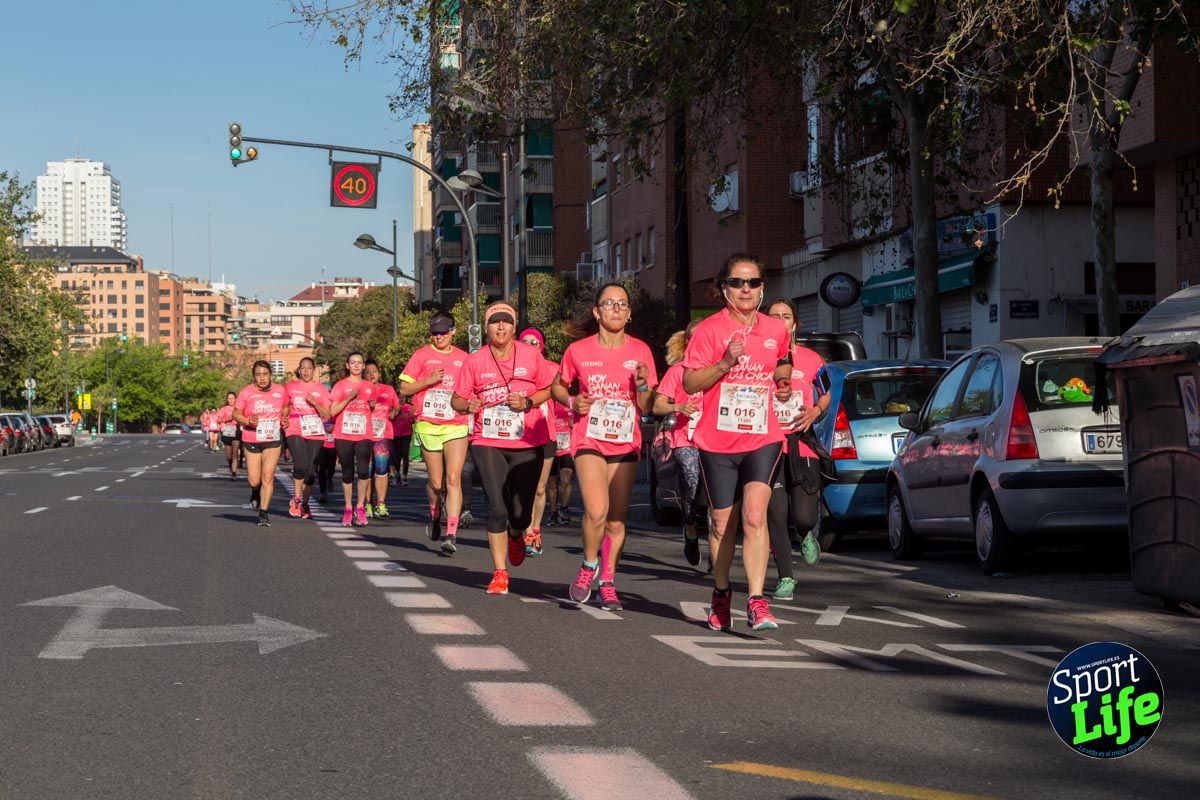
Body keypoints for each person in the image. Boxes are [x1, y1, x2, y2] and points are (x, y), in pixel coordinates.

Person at [682, 254, 793, 631]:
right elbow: (690, 383)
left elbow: (783, 360)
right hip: (717, 440)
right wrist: (725, 364)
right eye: (737, 283)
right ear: (724, 288)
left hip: (763, 436)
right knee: (720, 525)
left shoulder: (775, 330)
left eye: (753, 283)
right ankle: (722, 591)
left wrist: (782, 383)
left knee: (754, 516)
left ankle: (758, 601)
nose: (745, 289)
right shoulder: (709, 331)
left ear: (762, 288)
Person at [554, 283, 658, 610]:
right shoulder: (578, 351)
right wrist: (572, 400)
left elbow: (647, 403)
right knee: (596, 510)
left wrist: (642, 383)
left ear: (628, 314)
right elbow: (558, 385)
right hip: (589, 438)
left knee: (615, 519)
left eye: (623, 304)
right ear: (596, 312)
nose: (617, 309)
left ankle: (608, 580)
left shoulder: (641, 351)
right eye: (609, 303)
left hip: (625, 441)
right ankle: (588, 565)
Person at [451, 302, 555, 595]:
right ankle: (499, 572)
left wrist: (529, 401)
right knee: (496, 507)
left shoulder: (532, 355)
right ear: (486, 328)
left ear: (514, 326)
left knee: (521, 513)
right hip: (488, 440)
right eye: (495, 322)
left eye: (506, 322)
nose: (500, 327)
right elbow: (456, 400)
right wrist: (468, 404)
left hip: (527, 441)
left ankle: (516, 533)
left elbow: (550, 388)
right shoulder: (475, 361)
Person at [764, 298, 828, 600]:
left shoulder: (812, 359)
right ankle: (785, 577)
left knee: (803, 516)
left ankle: (805, 533)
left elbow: (828, 393)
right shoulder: (757, 358)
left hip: (801, 443)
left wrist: (815, 411)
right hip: (767, 444)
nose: (780, 321)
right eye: (773, 316)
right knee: (775, 514)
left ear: (795, 324)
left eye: (785, 316)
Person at [399, 314, 470, 553]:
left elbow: (472, 388)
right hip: (429, 424)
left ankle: (451, 533)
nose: (439, 336)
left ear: (453, 331)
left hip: (456, 424)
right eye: (435, 332)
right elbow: (405, 388)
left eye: (443, 332)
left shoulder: (463, 358)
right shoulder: (421, 355)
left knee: (453, 479)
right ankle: (434, 513)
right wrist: (428, 381)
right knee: (437, 483)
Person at [653, 320, 708, 566]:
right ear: (687, 342)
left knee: (717, 494)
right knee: (691, 480)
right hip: (685, 439)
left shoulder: (720, 369)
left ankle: (717, 552)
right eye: (694, 338)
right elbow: (657, 405)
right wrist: (679, 406)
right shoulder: (678, 371)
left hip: (716, 440)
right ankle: (691, 527)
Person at [232, 361, 290, 527]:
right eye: (258, 375)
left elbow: (286, 406)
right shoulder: (246, 392)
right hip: (252, 439)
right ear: (254, 376)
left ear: (270, 374)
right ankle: (255, 492)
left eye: (265, 374)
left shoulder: (280, 390)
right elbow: (235, 414)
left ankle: (264, 512)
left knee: (268, 475)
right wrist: (248, 420)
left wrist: (284, 418)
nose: (262, 378)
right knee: (254, 481)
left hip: (272, 439)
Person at [328, 351, 376, 527]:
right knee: (347, 473)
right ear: (347, 366)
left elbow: (370, 406)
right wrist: (350, 397)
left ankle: (360, 507)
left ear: (363, 366)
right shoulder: (340, 386)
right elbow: (332, 412)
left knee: (363, 471)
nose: (356, 365)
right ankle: (348, 508)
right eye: (352, 362)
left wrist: (371, 405)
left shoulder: (370, 386)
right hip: (344, 434)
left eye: (359, 363)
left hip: (364, 434)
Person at [519, 327, 555, 556]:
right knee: (524, 488)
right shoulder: (514, 369)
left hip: (547, 433)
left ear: (542, 346)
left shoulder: (553, 369)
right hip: (520, 436)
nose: (531, 345)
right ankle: (522, 531)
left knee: (540, 488)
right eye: (526, 341)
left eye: (535, 342)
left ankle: (534, 531)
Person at [283, 357, 332, 520]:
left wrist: (315, 402)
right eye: (303, 368)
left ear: (314, 370)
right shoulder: (290, 387)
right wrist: (284, 415)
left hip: (315, 430)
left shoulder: (322, 389)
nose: (306, 371)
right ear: (299, 369)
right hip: (294, 427)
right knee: (301, 465)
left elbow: (327, 414)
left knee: (311, 471)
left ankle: (305, 502)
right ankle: (296, 499)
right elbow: (283, 406)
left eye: (309, 368)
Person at [365, 360, 401, 518]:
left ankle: (381, 504)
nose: (372, 374)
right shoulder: (360, 390)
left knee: (381, 469)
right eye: (368, 372)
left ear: (379, 373)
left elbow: (397, 405)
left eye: (374, 371)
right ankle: (367, 503)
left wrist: (394, 411)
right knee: (366, 471)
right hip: (364, 434)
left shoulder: (388, 389)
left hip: (383, 434)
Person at [546, 397, 575, 527]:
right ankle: (552, 512)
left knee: (566, 479)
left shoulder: (572, 400)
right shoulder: (549, 401)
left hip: (567, 447)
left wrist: (575, 422)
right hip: (551, 444)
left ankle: (564, 509)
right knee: (552, 483)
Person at [216, 392, 241, 481]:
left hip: (237, 431)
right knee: (228, 456)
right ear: (227, 399)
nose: (231, 400)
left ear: (236, 399)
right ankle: (231, 465)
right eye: (229, 398)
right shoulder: (223, 409)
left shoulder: (239, 408)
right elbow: (218, 420)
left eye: (233, 398)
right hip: (227, 432)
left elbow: (241, 417)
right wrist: (226, 419)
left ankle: (234, 473)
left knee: (235, 453)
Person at [391, 396, 415, 487]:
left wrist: (409, 418)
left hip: (407, 433)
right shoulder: (394, 407)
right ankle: (397, 475)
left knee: (405, 455)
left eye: (403, 398)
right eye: (400, 398)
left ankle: (405, 477)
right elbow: (390, 417)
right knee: (397, 456)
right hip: (396, 434)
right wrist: (397, 412)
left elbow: (414, 419)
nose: (401, 399)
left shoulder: (409, 407)